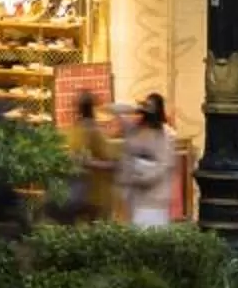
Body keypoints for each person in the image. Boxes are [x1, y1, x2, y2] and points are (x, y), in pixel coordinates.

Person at [119, 91, 178, 229]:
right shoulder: (136, 130)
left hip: (155, 198)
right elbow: (117, 109)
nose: (149, 110)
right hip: (136, 196)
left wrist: (143, 178)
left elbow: (164, 164)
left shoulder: (165, 133)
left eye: (152, 106)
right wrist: (135, 108)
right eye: (147, 106)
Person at [68, 91, 120, 221]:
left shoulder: (79, 129)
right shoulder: (90, 129)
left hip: (89, 193)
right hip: (94, 193)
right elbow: (86, 160)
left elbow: (77, 157)